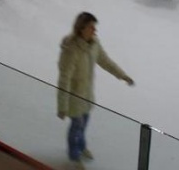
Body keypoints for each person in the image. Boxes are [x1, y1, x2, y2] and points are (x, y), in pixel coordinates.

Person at [57, 12, 134, 170]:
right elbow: (64, 79)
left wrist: (122, 75)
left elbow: (105, 61)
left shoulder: (94, 44)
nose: (95, 31)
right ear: (81, 29)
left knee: (83, 124)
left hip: (87, 95)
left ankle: (82, 146)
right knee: (76, 126)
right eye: (92, 27)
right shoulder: (71, 50)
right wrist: (62, 106)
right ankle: (74, 155)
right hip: (74, 97)